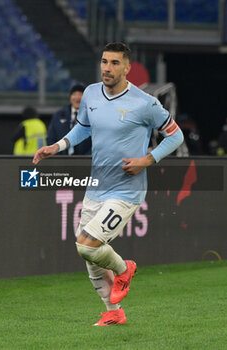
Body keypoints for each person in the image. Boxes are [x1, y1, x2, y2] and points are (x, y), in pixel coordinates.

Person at [33, 42, 184, 326]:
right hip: (97, 186)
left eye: (115, 63)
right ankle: (113, 312)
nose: (107, 68)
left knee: (87, 246)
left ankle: (125, 268)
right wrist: (58, 145)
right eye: (104, 61)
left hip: (127, 189)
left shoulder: (144, 103)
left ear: (127, 68)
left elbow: (175, 136)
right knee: (90, 256)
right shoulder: (90, 93)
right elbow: (84, 128)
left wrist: (147, 160)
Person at [47, 84, 91, 155]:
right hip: (61, 161)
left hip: (84, 162)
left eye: (80, 94)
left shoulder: (91, 116)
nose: (77, 97)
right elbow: (51, 138)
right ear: (70, 97)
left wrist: (85, 160)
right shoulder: (59, 115)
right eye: (74, 94)